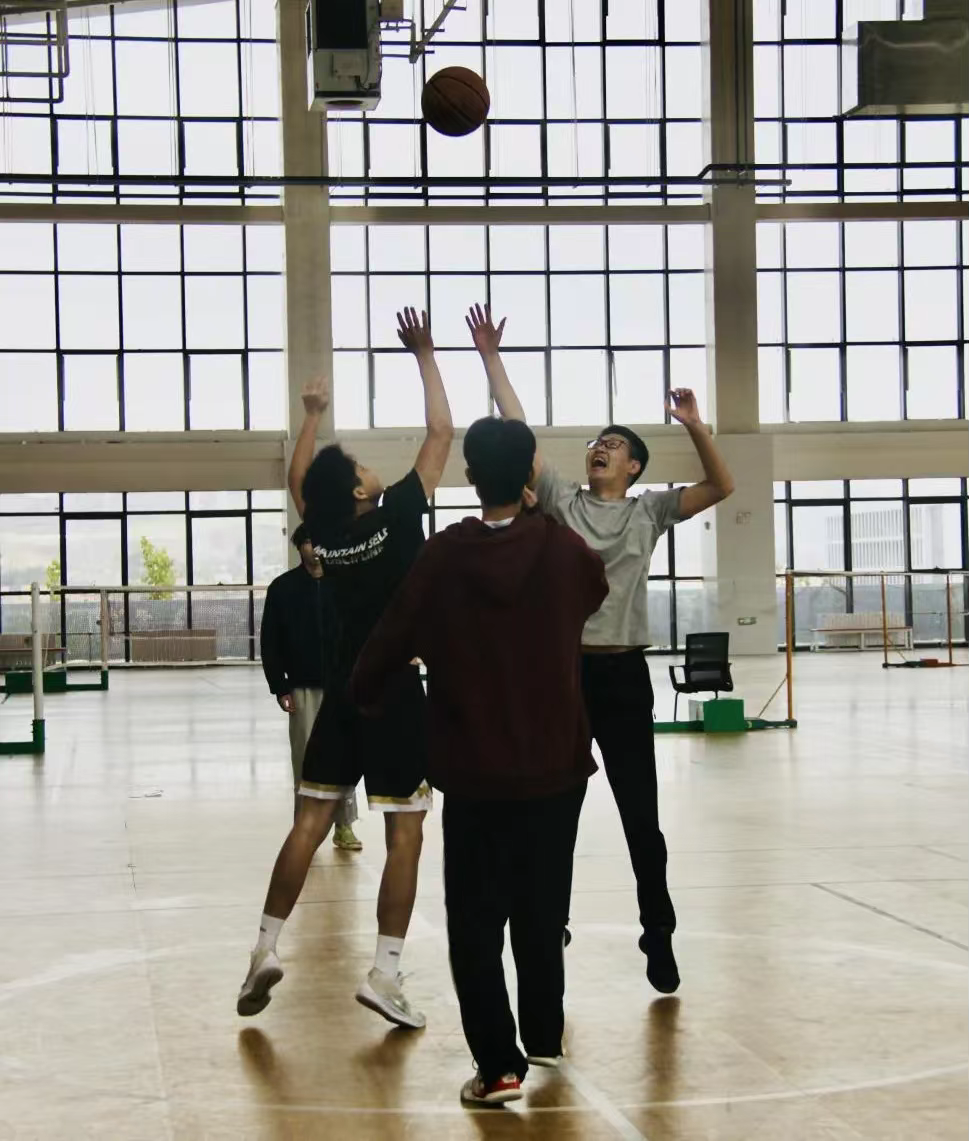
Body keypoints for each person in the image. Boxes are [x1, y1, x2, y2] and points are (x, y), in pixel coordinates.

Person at [466, 303, 735, 995]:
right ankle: (550, 922)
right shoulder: (561, 499)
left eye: (613, 444)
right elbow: (520, 433)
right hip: (563, 678)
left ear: (633, 465)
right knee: (556, 812)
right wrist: (492, 356)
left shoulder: (649, 511)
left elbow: (722, 486)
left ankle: (658, 932)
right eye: (595, 442)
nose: (599, 448)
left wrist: (694, 423)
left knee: (641, 816)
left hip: (622, 678)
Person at [349, 416, 608, 1106]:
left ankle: (498, 1066)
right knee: (542, 905)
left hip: (474, 767)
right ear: (530, 477)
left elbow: (390, 636)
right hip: (556, 763)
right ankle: (544, 1032)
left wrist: (366, 694)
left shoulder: (444, 555)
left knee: (474, 921)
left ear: (468, 478)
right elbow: (595, 589)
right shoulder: (562, 549)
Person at [237, 308, 454, 1026]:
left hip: (340, 696)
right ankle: (385, 973)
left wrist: (310, 415)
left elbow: (300, 477)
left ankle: (264, 948)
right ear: (362, 491)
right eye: (360, 467)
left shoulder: (324, 532)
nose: (369, 468)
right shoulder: (396, 516)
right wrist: (425, 354)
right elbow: (441, 434)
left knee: (308, 822)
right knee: (406, 832)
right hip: (396, 696)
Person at [259, 523, 362, 849]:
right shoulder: (283, 588)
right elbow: (270, 641)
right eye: (309, 543)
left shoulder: (345, 584)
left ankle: (344, 825)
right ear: (299, 546)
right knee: (305, 759)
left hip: (343, 686)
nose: (315, 550)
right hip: (302, 686)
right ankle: (304, 826)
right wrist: (280, 686)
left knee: (343, 757)